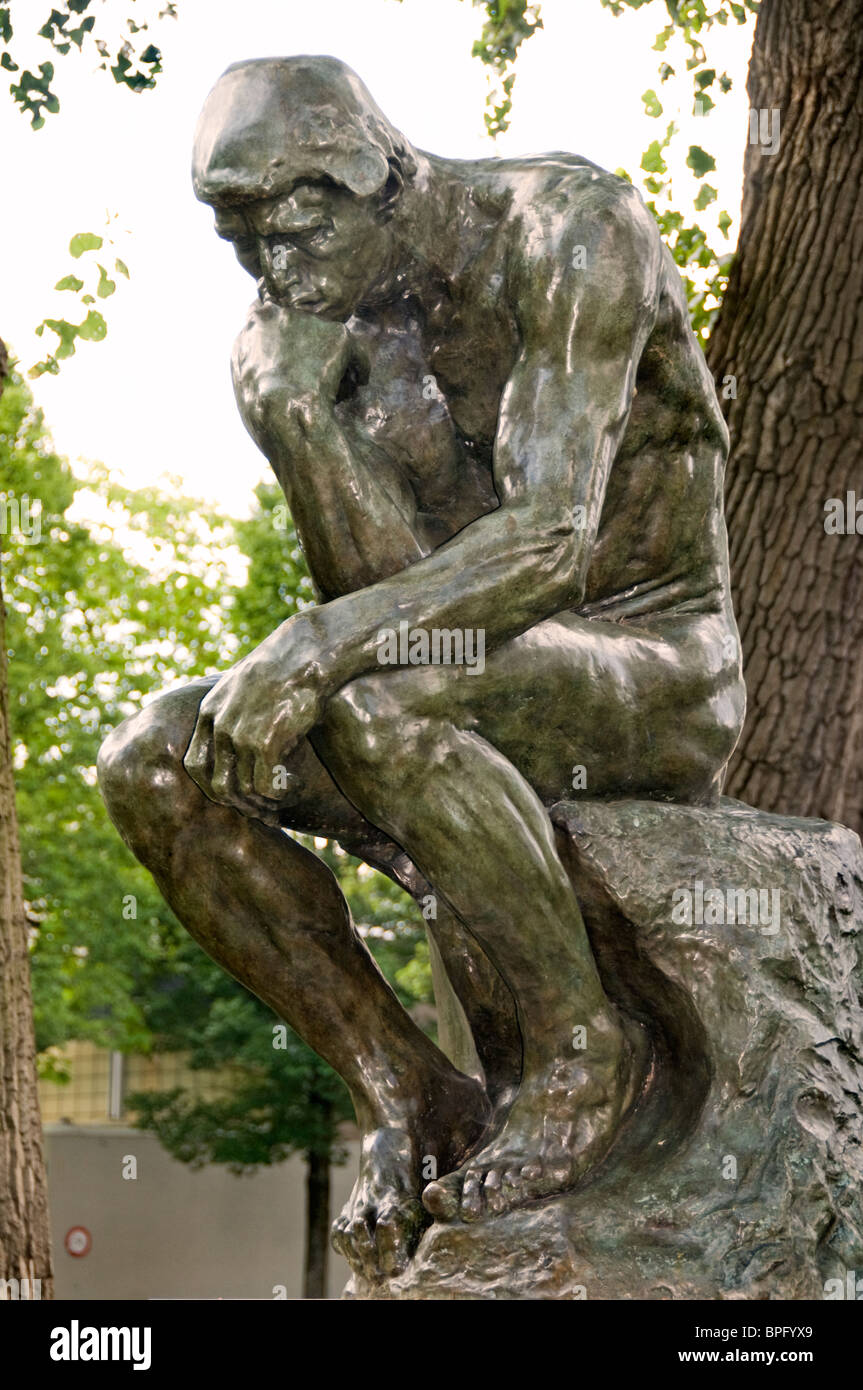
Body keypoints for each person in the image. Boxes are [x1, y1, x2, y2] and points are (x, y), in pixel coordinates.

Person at [98, 56, 745, 1281]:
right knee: (152, 762)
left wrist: (316, 646)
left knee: (378, 690)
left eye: (289, 234)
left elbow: (551, 536)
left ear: (370, 176)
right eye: (242, 251)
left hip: (655, 659)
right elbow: (383, 583)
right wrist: (299, 423)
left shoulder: (568, 228)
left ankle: (580, 1049)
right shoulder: (299, 338)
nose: (272, 276)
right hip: (472, 670)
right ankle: (408, 1095)